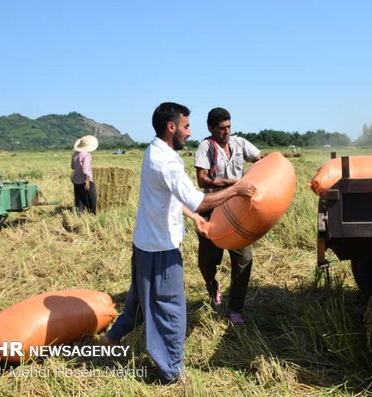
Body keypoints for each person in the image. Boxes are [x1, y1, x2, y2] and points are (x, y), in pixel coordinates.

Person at [100, 102, 256, 384]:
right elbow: (198, 198)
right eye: (185, 126)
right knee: (171, 309)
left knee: (138, 301)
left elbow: (168, 197)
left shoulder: (153, 151)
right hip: (161, 250)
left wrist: (193, 217)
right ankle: (171, 372)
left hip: (144, 243)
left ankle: (110, 340)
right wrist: (236, 189)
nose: (189, 132)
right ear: (171, 127)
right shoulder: (168, 161)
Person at [194, 107, 262, 324]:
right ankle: (213, 287)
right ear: (210, 128)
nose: (226, 132)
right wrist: (235, 184)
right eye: (222, 128)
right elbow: (202, 180)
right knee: (208, 261)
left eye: (229, 127)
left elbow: (260, 160)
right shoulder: (206, 147)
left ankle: (235, 309)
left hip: (239, 210)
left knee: (244, 259)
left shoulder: (239, 143)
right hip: (213, 209)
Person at [71, 135, 98, 214]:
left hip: (76, 181)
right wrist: (87, 180)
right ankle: (92, 215)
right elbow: (85, 169)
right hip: (84, 180)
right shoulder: (87, 155)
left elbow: (72, 167)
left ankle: (80, 214)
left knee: (79, 199)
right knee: (91, 199)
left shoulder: (75, 154)